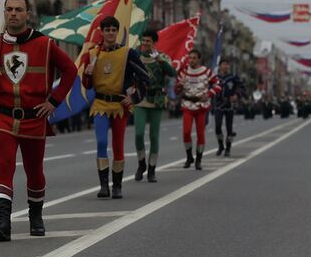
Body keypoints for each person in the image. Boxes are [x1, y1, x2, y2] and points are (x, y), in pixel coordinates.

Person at [0, 0, 77, 241]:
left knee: (34, 170)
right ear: (4, 13)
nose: (13, 14)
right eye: (9, 9)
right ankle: (3, 223)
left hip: (33, 117)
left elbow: (71, 70)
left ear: (28, 14)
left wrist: (54, 101)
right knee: (4, 166)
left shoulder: (45, 44)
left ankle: (36, 216)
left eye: (19, 10)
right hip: (3, 117)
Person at [81, 16, 149, 198]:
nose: (110, 33)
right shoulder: (93, 54)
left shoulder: (128, 53)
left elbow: (144, 77)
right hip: (100, 104)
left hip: (119, 105)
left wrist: (133, 97)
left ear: (117, 32)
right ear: (101, 32)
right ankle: (104, 186)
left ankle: (117, 186)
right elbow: (87, 85)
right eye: (107, 30)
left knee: (118, 146)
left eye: (113, 30)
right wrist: (87, 75)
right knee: (102, 142)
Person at [133, 29, 176, 183]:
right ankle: (141, 163)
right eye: (143, 41)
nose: (145, 44)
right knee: (138, 134)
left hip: (156, 99)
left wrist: (159, 60)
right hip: (140, 98)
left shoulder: (162, 57)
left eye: (148, 41)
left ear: (154, 43)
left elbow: (172, 73)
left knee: (153, 135)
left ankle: (152, 169)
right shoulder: (136, 57)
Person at [176, 49, 220, 170]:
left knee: (200, 133)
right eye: (189, 58)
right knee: (186, 132)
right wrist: (179, 85)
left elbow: (218, 85)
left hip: (201, 106)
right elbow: (176, 91)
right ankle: (189, 156)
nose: (191, 60)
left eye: (194, 58)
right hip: (187, 104)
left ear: (199, 59)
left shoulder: (206, 72)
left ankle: (199, 160)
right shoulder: (183, 72)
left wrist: (209, 94)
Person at [214, 58, 245, 157]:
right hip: (218, 104)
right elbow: (209, 87)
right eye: (224, 64)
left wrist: (237, 95)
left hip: (229, 104)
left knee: (229, 128)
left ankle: (228, 148)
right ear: (220, 66)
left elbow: (242, 87)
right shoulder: (215, 77)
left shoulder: (233, 77)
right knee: (218, 127)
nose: (226, 66)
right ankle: (220, 145)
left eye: (227, 64)